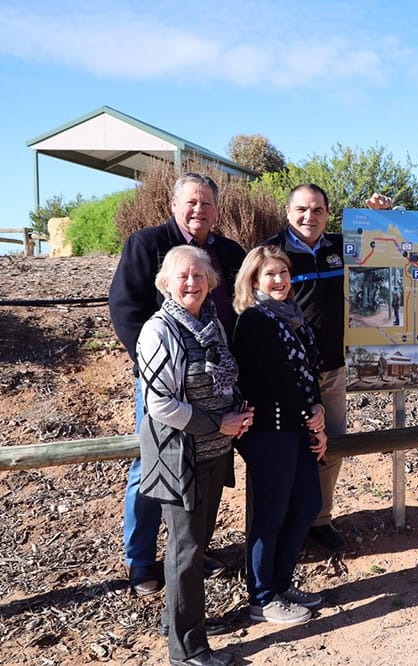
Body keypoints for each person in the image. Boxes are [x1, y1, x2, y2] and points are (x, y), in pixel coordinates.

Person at [109, 173, 246, 596]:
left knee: (206, 467)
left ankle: (189, 552)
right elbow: (124, 308)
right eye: (191, 202)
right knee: (154, 467)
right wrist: (157, 365)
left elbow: (241, 310)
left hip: (218, 383)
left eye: (206, 203)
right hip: (166, 384)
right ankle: (141, 560)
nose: (198, 210)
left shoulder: (228, 251)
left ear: (217, 209)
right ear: (174, 204)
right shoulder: (146, 244)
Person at [136, 245, 253, 666]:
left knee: (195, 545)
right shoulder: (158, 330)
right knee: (186, 553)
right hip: (181, 456)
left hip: (214, 452)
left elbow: (226, 376)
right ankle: (187, 650)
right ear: (166, 283)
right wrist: (217, 423)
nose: (191, 283)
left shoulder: (211, 324)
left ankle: (179, 621)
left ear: (210, 282)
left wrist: (237, 411)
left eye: (199, 276)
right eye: (183, 276)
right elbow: (160, 405)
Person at [231, 246, 328, 625]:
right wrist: (312, 417)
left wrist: (316, 411)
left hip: (295, 427)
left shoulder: (294, 319)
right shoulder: (255, 320)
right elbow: (278, 380)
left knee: (305, 505)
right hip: (269, 431)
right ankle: (262, 597)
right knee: (271, 514)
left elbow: (307, 375)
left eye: (284, 273)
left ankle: (281, 584)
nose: (280, 280)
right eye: (270, 274)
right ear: (253, 280)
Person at [259, 184, 350, 551]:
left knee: (332, 447)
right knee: (288, 452)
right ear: (287, 211)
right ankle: (281, 526)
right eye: (301, 209)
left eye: (317, 210)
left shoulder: (342, 248)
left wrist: (379, 213)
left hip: (333, 369)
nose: (308, 217)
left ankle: (320, 518)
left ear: (328, 213)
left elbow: (389, 248)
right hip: (288, 377)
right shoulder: (271, 253)